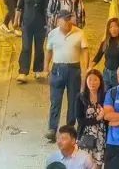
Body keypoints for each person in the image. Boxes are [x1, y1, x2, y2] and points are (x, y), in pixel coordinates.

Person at [44, 10, 89, 142]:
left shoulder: (79, 33)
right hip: (58, 68)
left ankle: (69, 128)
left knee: (73, 100)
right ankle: (52, 128)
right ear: (58, 21)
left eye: (69, 19)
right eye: (65, 19)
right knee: (55, 100)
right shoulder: (53, 34)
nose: (68, 22)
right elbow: (48, 51)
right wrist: (46, 68)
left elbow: (85, 51)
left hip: (74, 69)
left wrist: (85, 69)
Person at [15, 0, 49, 83]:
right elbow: (19, 7)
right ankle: (23, 72)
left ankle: (38, 70)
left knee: (39, 48)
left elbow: (47, 9)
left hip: (40, 25)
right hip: (27, 24)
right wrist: (16, 21)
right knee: (26, 47)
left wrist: (48, 24)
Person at [75, 70, 108, 168]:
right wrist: (97, 118)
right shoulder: (81, 97)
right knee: (84, 163)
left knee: (98, 163)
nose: (92, 83)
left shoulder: (106, 96)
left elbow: (108, 117)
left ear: (100, 81)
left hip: (101, 136)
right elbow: (80, 120)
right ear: (86, 81)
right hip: (86, 135)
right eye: (90, 80)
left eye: (95, 80)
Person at [94, 18, 119, 90]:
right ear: (108, 29)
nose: (114, 29)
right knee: (106, 95)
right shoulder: (105, 42)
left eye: (116, 26)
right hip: (106, 74)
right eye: (111, 27)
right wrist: (89, 67)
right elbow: (97, 57)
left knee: (117, 94)